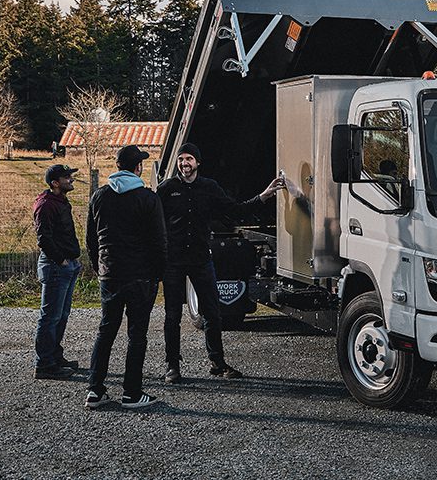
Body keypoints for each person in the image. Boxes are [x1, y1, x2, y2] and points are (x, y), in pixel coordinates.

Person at [157, 142, 284, 384]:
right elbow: (154, 222)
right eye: (181, 159)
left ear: (198, 163)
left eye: (189, 159)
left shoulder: (209, 188)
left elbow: (235, 211)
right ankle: (172, 366)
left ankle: (217, 363)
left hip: (201, 259)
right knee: (172, 315)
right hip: (172, 261)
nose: (184, 163)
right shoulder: (166, 189)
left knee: (213, 313)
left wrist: (263, 197)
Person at [84, 145, 167, 410]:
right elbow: (159, 241)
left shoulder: (99, 196)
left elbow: (90, 238)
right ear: (137, 167)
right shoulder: (147, 198)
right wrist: (158, 273)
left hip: (110, 273)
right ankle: (132, 393)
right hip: (140, 275)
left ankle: (95, 390)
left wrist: (100, 268)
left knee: (106, 330)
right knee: (137, 335)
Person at [33, 164, 82, 380]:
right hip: (56, 266)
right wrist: (60, 260)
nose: (71, 179)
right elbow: (43, 238)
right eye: (67, 177)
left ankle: (54, 357)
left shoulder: (61, 201)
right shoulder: (46, 205)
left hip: (67, 264)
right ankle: (44, 364)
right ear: (55, 182)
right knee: (50, 317)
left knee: (61, 315)